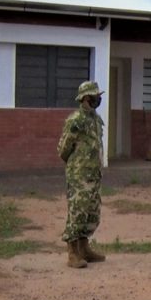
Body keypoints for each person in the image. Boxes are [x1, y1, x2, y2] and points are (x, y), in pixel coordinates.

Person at [57, 81, 107, 268]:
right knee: (78, 211)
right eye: (95, 96)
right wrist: (77, 164)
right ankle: (72, 253)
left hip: (94, 173)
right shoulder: (75, 120)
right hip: (79, 174)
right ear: (86, 98)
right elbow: (63, 149)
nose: (98, 99)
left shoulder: (95, 119)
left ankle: (84, 248)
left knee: (91, 212)